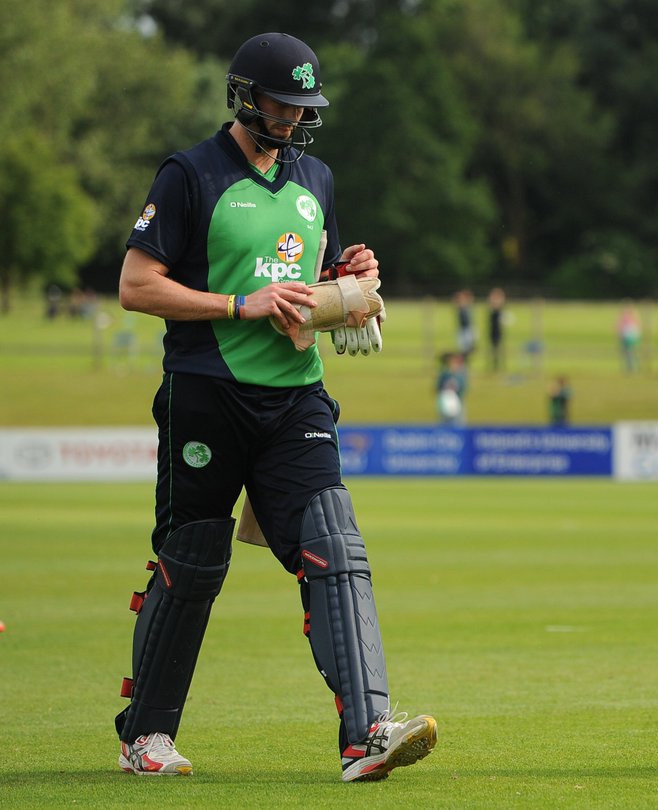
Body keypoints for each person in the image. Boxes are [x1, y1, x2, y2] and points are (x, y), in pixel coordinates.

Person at [113, 32, 436, 782]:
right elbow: (137, 285)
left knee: (338, 548)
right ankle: (147, 738)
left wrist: (349, 276)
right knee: (191, 563)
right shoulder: (190, 174)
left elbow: (303, 276)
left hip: (296, 400)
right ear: (245, 97)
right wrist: (237, 303)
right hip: (205, 396)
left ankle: (367, 734)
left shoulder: (315, 177)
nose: (292, 118)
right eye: (281, 104)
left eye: (304, 106)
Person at [435, 352, 468, 425]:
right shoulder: (444, 375)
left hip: (458, 402)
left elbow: (463, 389)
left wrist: (457, 398)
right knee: (444, 422)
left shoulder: (460, 376)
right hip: (445, 402)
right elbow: (438, 387)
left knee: (459, 422)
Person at [487, 287, 507, 372]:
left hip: (498, 331)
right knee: (492, 349)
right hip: (492, 330)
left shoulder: (499, 310)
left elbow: (501, 302)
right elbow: (491, 302)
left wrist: (500, 295)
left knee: (498, 348)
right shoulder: (492, 309)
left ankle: (497, 365)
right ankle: (493, 365)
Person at [617, 304, 641, 373]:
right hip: (629, 338)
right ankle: (632, 368)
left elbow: (620, 328)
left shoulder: (627, 318)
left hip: (628, 338)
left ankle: (631, 368)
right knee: (630, 353)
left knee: (629, 353)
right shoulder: (633, 318)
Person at [454, 289, 476, 362]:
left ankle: (465, 361)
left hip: (467, 329)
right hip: (462, 330)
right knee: (463, 349)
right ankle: (463, 362)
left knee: (468, 348)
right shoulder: (460, 307)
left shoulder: (468, 307)